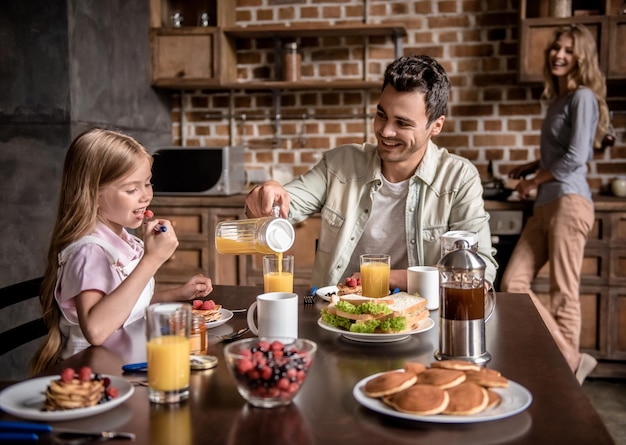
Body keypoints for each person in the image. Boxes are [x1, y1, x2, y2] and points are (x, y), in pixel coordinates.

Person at [245, 55, 497, 290]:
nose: (386, 132)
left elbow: (479, 272)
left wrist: (385, 276)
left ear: (436, 126)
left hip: (420, 319)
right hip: (336, 315)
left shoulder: (459, 178)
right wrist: (266, 195)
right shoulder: (339, 164)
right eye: (381, 115)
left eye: (402, 123)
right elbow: (280, 207)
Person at [31, 128, 213, 375]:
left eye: (148, 183)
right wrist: (152, 260)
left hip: (126, 363)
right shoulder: (90, 252)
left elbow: (126, 307)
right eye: (131, 190)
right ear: (93, 195)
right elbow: (96, 330)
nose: (146, 196)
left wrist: (178, 293)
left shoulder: (125, 240)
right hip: (93, 378)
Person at [501, 24, 609, 384]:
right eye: (556, 48)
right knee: (513, 283)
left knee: (564, 292)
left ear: (582, 58)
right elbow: (562, 153)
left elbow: (577, 158)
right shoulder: (560, 100)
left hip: (569, 201)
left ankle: (567, 374)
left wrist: (534, 180)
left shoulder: (583, 98)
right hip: (547, 203)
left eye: (568, 50)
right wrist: (532, 167)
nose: (559, 55)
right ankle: (572, 357)